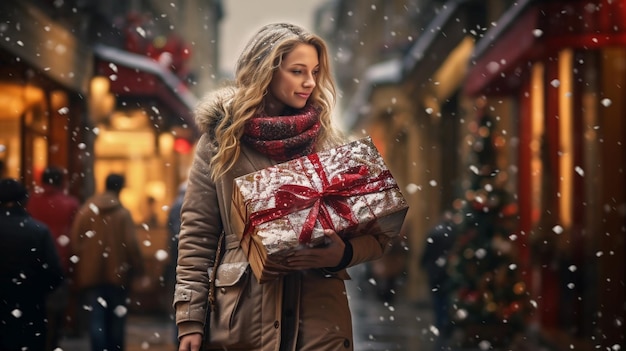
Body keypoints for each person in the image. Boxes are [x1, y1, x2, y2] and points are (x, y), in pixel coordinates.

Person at [173, 23, 393, 351]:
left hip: (319, 317)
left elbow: (379, 234)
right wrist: (190, 318)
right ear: (266, 72)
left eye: (316, 71)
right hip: (245, 314)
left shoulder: (330, 143)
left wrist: (343, 253)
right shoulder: (220, 141)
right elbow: (198, 234)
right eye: (297, 71)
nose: (310, 82)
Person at [69, 173, 144, 351]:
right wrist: (138, 267)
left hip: (91, 275)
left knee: (96, 318)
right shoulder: (122, 214)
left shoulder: (87, 210)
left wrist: (83, 263)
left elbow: (75, 241)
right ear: (120, 188)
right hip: (117, 274)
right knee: (117, 320)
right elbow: (131, 245)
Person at [0, 178, 65, 351]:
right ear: (24, 201)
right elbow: (54, 272)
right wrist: (37, 289)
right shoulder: (38, 231)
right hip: (30, 307)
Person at [27, 166, 81, 350]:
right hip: (60, 265)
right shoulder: (70, 204)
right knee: (55, 317)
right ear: (61, 182)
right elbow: (76, 237)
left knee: (33, 316)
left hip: (31, 267)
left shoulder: (31, 201)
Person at [420, 210, 458, 342]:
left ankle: (440, 322)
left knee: (437, 297)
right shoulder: (453, 234)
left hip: (434, 271)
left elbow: (427, 252)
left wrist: (423, 264)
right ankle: (445, 321)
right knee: (446, 296)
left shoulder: (434, 232)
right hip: (447, 270)